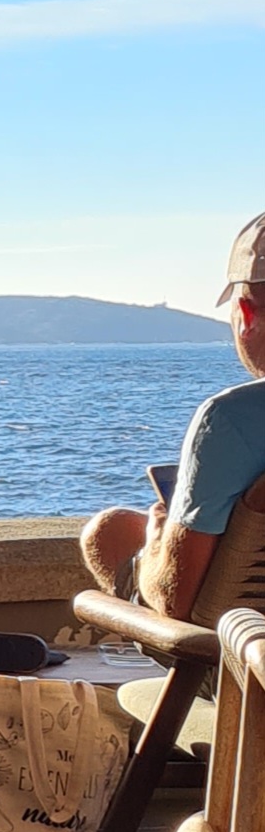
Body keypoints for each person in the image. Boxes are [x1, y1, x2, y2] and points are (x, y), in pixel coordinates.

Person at [82, 210, 265, 619]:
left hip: (244, 652)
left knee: (110, 531)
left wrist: (157, 537)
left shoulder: (231, 420)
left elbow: (173, 600)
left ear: (246, 313)